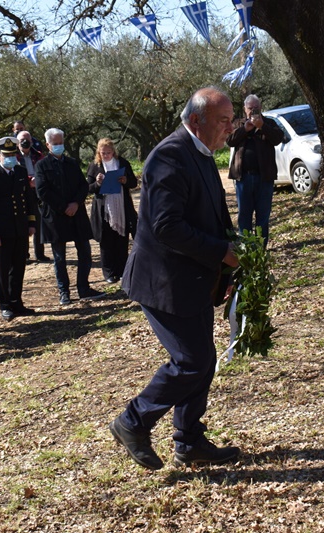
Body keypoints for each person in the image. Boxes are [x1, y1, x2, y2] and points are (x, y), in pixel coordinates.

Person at [109, 87, 240, 470]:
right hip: (163, 281)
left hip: (193, 278)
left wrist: (230, 264)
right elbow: (167, 227)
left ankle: (189, 441)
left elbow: (214, 218)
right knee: (191, 361)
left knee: (203, 358)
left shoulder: (200, 152)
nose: (230, 128)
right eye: (224, 120)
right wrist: (219, 253)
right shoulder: (169, 155)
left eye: (232, 120)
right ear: (196, 120)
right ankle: (132, 421)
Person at [35, 128, 104, 305]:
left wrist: (75, 203)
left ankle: (84, 287)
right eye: (55, 144)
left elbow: (83, 186)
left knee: (85, 253)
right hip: (56, 217)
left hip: (77, 214)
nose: (59, 146)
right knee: (60, 258)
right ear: (48, 145)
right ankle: (64, 292)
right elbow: (42, 191)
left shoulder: (72, 163)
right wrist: (63, 206)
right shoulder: (42, 166)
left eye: (61, 143)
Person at [0, 137, 37, 321]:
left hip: (20, 228)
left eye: (13, 154)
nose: (10, 157)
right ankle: (5, 304)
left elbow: (29, 199)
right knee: (3, 269)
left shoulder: (21, 172)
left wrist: (31, 223)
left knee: (19, 266)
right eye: (6, 155)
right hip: (2, 231)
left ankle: (17, 302)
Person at [226, 94, 284, 244]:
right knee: (244, 215)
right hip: (243, 177)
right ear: (245, 109)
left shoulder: (269, 123)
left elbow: (278, 139)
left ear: (261, 108)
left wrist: (262, 126)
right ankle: (246, 247)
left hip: (264, 178)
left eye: (256, 108)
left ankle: (260, 249)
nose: (253, 111)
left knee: (263, 216)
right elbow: (229, 141)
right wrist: (244, 129)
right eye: (250, 108)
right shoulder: (238, 123)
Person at [86, 138, 138, 284]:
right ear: (98, 153)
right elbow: (88, 189)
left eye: (108, 152)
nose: (106, 155)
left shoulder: (122, 163)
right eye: (103, 153)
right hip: (104, 210)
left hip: (122, 207)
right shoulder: (94, 166)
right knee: (106, 241)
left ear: (113, 151)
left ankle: (122, 271)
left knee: (121, 240)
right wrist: (97, 183)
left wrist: (125, 180)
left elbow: (133, 182)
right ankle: (109, 273)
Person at [16, 130, 50, 263]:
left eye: (28, 140)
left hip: (37, 191)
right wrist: (29, 180)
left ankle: (40, 254)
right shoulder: (14, 157)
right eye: (22, 140)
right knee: (23, 223)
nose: (25, 142)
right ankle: (24, 254)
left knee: (38, 222)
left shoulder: (38, 154)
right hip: (22, 191)